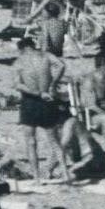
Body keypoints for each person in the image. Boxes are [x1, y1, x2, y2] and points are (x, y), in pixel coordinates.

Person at [13, 36, 69, 182]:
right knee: (54, 140)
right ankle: (65, 173)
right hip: (48, 99)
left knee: (31, 141)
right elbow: (61, 65)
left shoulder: (19, 62)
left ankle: (37, 177)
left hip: (30, 102)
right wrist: (52, 84)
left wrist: (37, 93)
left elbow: (18, 85)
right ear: (33, 45)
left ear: (22, 49)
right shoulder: (46, 55)